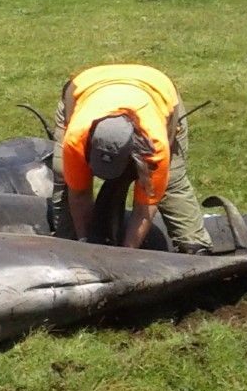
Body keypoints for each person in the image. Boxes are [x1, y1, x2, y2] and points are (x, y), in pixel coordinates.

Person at [49, 63, 209, 252]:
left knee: (171, 180)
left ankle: (194, 244)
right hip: (84, 91)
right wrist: (84, 243)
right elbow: (79, 194)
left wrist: (127, 254)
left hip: (157, 94)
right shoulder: (76, 138)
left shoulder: (155, 146)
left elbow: (145, 208)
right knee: (64, 173)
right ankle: (65, 241)